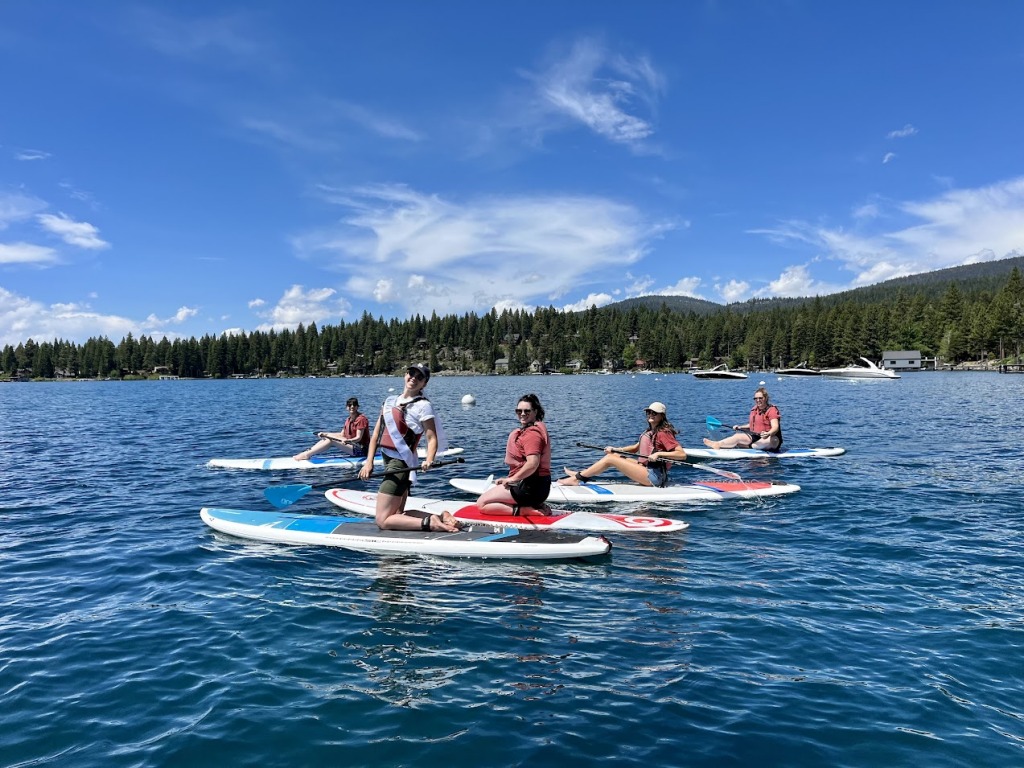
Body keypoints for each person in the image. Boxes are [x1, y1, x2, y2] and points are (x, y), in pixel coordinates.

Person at [357, 363, 460, 532]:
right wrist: (369, 463)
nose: (414, 378)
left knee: (383, 520)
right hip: (386, 459)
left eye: (420, 377)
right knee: (398, 513)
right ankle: (442, 517)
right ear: (405, 375)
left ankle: (431, 523)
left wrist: (429, 459)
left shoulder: (423, 406)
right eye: (411, 373)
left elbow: (431, 437)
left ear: (424, 383)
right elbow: (376, 435)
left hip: (400, 464)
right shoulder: (389, 402)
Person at [558, 402, 688, 487]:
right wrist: (616, 450)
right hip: (645, 469)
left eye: (654, 413)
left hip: (654, 477)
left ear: (662, 416)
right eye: (648, 412)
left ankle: (577, 478)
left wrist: (659, 453)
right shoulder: (650, 431)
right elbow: (636, 448)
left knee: (610, 460)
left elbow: (681, 454)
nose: (650, 415)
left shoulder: (663, 433)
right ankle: (581, 474)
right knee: (614, 457)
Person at [475, 394, 552, 515]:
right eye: (518, 411)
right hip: (539, 488)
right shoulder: (535, 428)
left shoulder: (532, 435)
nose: (522, 414)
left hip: (529, 489)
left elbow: (533, 463)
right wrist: (509, 480)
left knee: (482, 504)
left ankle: (523, 510)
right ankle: (535, 504)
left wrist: (512, 479)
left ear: (535, 411)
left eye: (527, 411)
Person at [703, 386, 783, 451]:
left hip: (772, 438)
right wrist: (740, 427)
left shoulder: (771, 410)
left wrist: (768, 433)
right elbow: (753, 425)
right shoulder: (755, 409)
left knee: (755, 445)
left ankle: (749, 446)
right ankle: (717, 444)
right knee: (737, 436)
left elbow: (775, 427)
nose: (758, 400)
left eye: (760, 398)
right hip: (756, 436)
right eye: (756, 398)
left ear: (765, 398)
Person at [293, 397, 370, 460]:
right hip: (352, 445)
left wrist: (348, 440)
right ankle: (308, 452)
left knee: (331, 441)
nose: (352, 407)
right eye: (350, 405)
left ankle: (307, 455)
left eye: (354, 405)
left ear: (357, 407)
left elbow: (358, 438)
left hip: (361, 450)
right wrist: (325, 434)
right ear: (347, 407)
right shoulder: (348, 419)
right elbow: (341, 434)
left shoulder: (361, 419)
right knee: (327, 437)